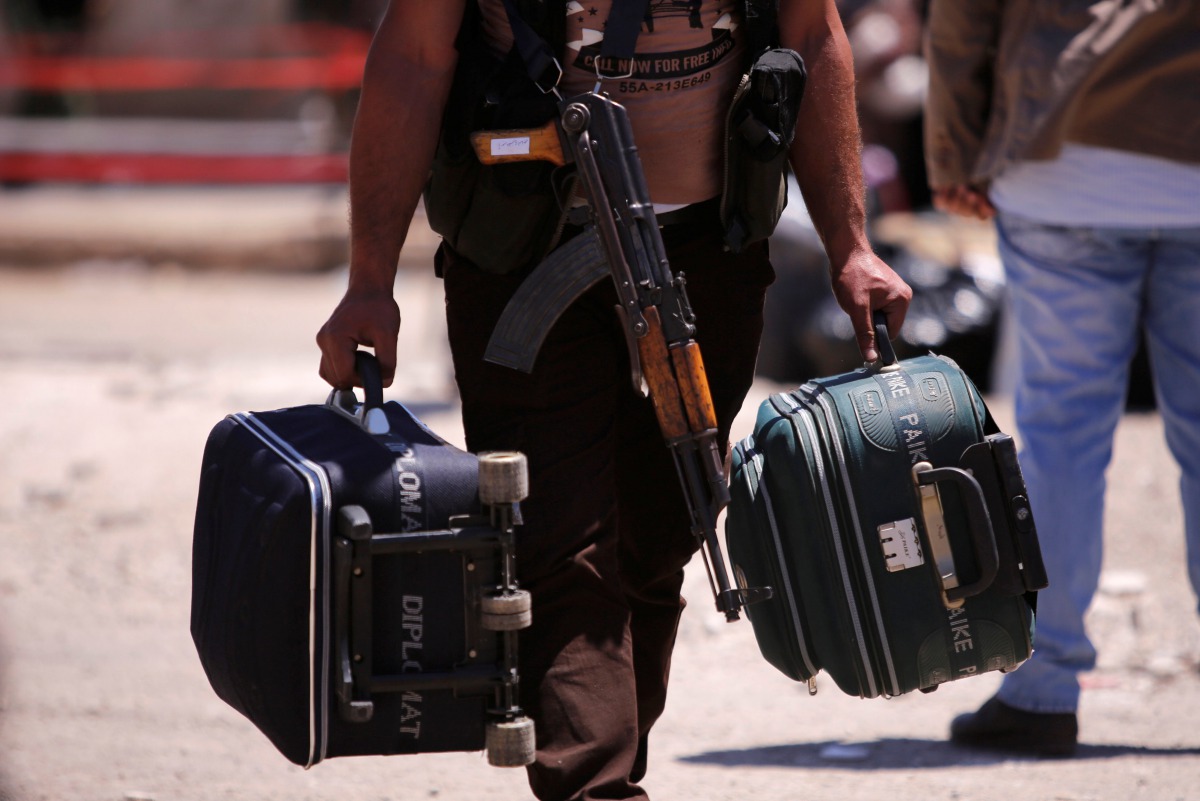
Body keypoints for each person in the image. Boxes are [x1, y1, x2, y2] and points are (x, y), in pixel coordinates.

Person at [317, 1, 911, 798]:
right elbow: (413, 59)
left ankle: (610, 761)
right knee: (559, 542)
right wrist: (368, 281)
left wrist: (852, 246)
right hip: (525, 245)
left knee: (660, 534)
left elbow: (812, 35)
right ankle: (596, 784)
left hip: (711, 246)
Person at [923, 0, 1200, 757]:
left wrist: (953, 151)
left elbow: (961, 18)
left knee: (1061, 439)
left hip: (1061, 156)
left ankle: (1044, 688)